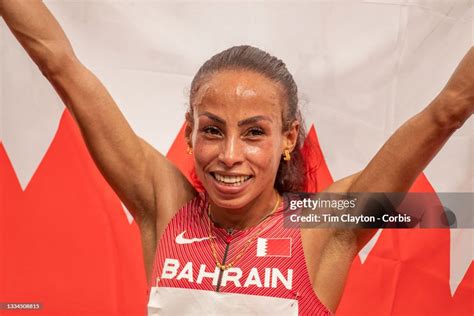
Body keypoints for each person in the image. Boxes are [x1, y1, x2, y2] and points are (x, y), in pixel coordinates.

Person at [1, 1, 472, 315]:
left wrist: (442, 210)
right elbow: (59, 62)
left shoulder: (323, 223)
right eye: (212, 130)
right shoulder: (165, 203)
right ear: (188, 135)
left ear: (288, 138)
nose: (230, 156)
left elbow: (447, 110)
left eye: (253, 133)